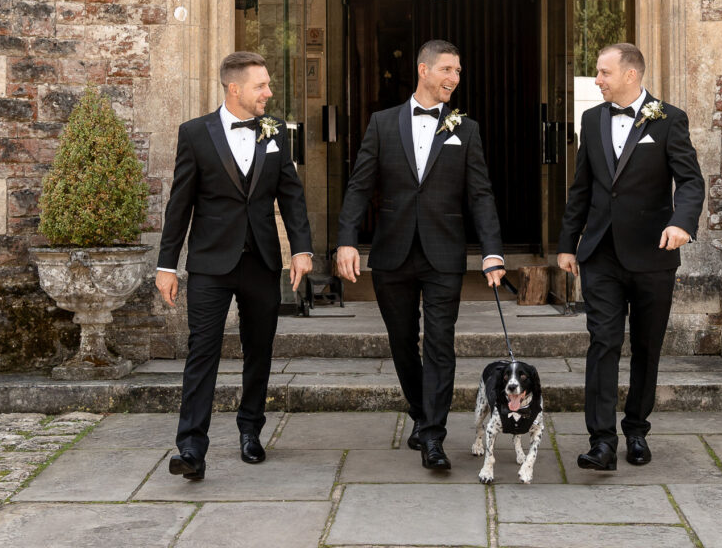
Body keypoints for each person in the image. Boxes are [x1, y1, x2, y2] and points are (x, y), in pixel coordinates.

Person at [336, 39, 505, 471]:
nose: (455, 78)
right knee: (401, 343)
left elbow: (481, 195)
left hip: (444, 253)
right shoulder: (382, 123)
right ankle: (420, 410)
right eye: (448, 69)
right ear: (423, 70)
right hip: (392, 252)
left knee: (440, 345)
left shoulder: (466, 129)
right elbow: (359, 186)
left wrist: (492, 253)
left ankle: (433, 436)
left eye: (459, 71)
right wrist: (347, 240)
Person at [156, 51, 312, 480]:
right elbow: (180, 203)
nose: (269, 92)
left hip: (262, 259)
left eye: (268, 84)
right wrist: (166, 264)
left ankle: (251, 431)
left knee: (258, 351)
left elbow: (291, 195)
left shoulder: (275, 130)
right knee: (201, 350)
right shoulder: (195, 133)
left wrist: (301, 250)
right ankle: (190, 447)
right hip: (210, 262)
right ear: (234, 88)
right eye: (261, 85)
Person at [557, 43, 704, 471]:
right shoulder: (591, 119)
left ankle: (636, 429)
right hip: (600, 252)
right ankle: (600, 441)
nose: (597, 80)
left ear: (631, 75)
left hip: (654, 253)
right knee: (603, 342)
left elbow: (690, 181)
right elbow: (581, 188)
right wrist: (568, 243)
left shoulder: (669, 119)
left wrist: (682, 222)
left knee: (646, 346)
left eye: (603, 73)